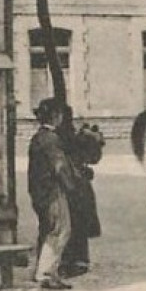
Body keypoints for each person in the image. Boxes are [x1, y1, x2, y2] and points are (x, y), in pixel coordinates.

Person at [29, 97, 81, 290]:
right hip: (52, 191)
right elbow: (59, 167)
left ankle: (44, 271)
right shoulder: (51, 139)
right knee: (60, 230)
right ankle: (46, 274)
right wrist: (71, 187)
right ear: (56, 116)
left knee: (48, 228)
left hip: (39, 191)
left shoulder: (38, 137)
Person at [60, 111, 104, 277]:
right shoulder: (74, 138)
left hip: (74, 183)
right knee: (77, 221)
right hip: (74, 185)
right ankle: (77, 259)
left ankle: (70, 260)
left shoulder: (69, 137)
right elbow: (93, 158)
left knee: (74, 221)